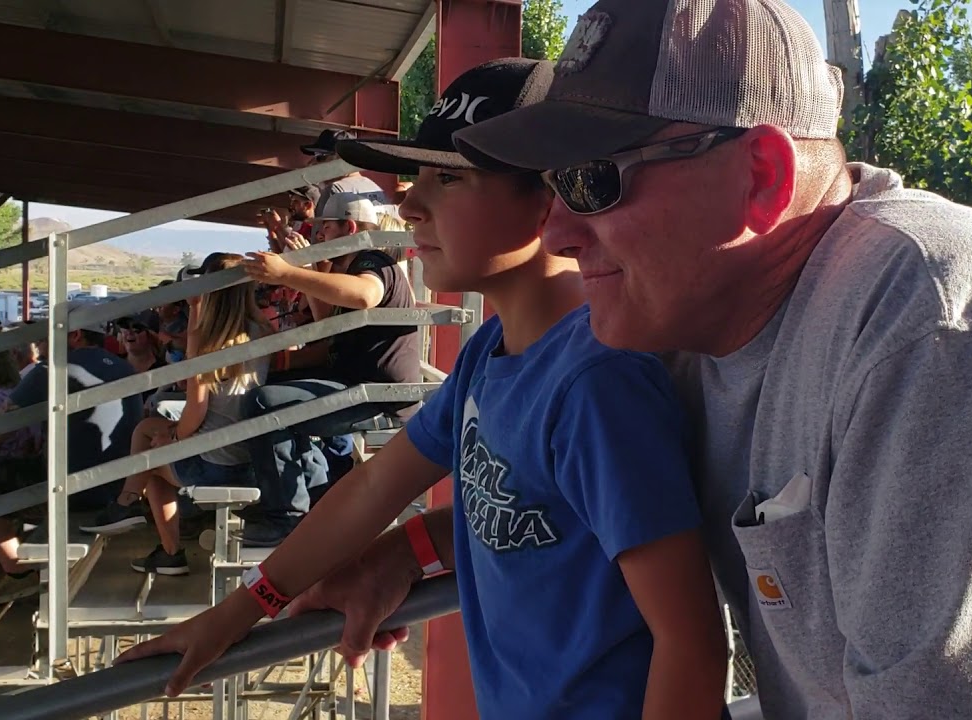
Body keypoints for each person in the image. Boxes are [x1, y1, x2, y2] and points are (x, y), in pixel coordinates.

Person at [444, 1, 972, 717]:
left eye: (592, 181)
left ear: (761, 175)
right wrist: (398, 560)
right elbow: (542, 493)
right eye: (550, 184)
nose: (559, 232)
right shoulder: (681, 322)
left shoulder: (931, 320)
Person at [117, 58, 729, 720]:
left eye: (448, 178)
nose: (408, 203)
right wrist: (243, 610)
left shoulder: (597, 384)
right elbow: (377, 487)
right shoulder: (490, 356)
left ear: (552, 198)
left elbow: (691, 644)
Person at [234, 193, 421, 547]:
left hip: (378, 394)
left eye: (324, 230)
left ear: (348, 229)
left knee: (265, 403)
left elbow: (366, 295)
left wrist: (288, 271)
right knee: (267, 388)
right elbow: (325, 323)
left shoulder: (373, 261)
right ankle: (308, 499)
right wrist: (301, 273)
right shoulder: (348, 268)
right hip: (355, 383)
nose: (318, 237)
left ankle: (285, 515)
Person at [81, 253, 270, 577]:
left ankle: (147, 527)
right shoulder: (263, 331)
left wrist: (174, 437)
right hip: (248, 457)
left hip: (215, 464)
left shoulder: (208, 343)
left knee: (152, 452)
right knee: (147, 431)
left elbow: (195, 411)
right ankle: (128, 508)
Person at [0, 305, 142, 606]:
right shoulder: (125, 367)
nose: (41, 343)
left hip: (71, 489)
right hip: (115, 487)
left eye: (48, 334)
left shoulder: (52, 368)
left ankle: (17, 572)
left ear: (73, 334)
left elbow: (3, 427)